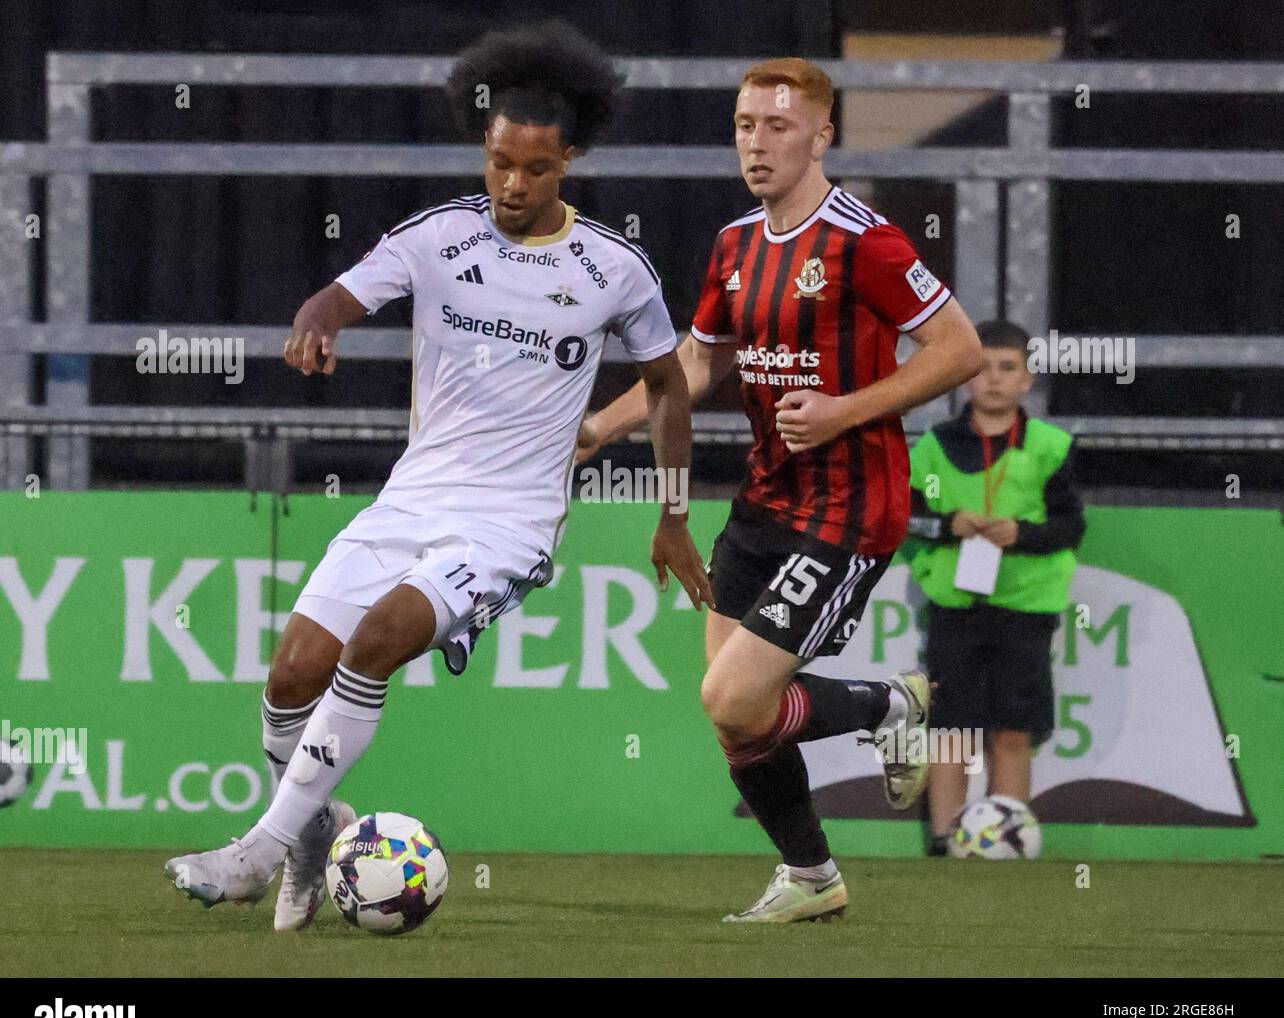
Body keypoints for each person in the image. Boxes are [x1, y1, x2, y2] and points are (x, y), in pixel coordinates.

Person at [165, 22, 712, 928]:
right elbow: (340, 293)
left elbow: (668, 382)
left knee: (377, 639)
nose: (511, 184)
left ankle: (255, 852)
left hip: (511, 525)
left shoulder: (614, 269)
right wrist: (320, 318)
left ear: (567, 160)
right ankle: (310, 840)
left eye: (534, 168)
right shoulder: (438, 238)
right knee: (292, 673)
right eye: (500, 162)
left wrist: (673, 513)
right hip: (410, 499)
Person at [578, 58, 982, 921]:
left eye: (778, 127)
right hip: (765, 501)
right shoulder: (734, 245)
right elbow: (695, 362)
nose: (756, 145)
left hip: (850, 507)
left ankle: (887, 704)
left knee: (732, 695)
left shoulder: (863, 240)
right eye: (744, 126)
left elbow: (959, 350)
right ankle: (812, 877)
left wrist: (843, 411)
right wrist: (593, 431)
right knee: (736, 719)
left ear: (823, 134)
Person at [907, 320, 1085, 856]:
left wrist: (1021, 533)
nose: (993, 379)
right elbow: (902, 517)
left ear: (1028, 379)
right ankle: (945, 840)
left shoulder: (1052, 447)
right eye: (982, 367)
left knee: (1012, 728)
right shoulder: (934, 446)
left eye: (1007, 368)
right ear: (964, 377)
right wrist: (944, 525)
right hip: (954, 607)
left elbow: (1070, 525)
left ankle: (1006, 839)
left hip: (1025, 608)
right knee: (952, 730)